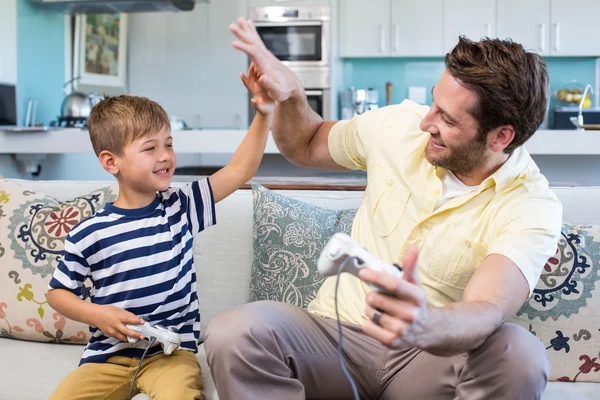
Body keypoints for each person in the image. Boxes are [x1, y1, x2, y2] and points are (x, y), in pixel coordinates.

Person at [204, 18, 563, 400]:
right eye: (433, 104)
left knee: (519, 353)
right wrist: (292, 94)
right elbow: (306, 143)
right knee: (234, 332)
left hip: (429, 357)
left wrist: (425, 323)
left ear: (501, 137)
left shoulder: (530, 204)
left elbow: (487, 307)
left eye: (447, 118)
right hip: (333, 338)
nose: (427, 122)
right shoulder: (399, 127)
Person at [46, 64, 274, 400]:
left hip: (171, 356)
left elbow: (240, 169)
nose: (165, 156)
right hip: (106, 359)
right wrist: (98, 315)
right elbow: (57, 293)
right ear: (111, 162)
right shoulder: (88, 233)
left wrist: (264, 113)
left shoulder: (181, 206)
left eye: (168, 144)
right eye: (150, 148)